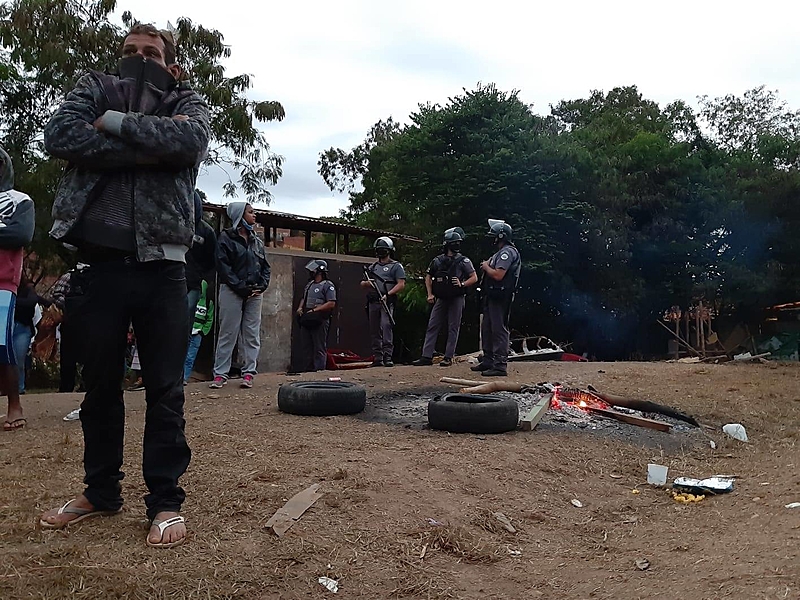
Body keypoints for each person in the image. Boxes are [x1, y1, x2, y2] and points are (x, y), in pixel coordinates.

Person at [40, 24, 211, 549]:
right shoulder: (93, 86)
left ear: (171, 64)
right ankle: (100, 491)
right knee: (100, 388)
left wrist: (112, 126)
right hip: (99, 266)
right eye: (132, 52)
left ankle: (164, 501)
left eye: (152, 53)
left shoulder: (187, 98)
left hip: (163, 267)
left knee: (164, 390)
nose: (141, 59)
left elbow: (189, 140)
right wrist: (147, 149)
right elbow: (61, 135)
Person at [210, 202, 270, 389]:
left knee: (251, 333)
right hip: (232, 290)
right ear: (239, 216)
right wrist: (240, 287)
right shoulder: (225, 238)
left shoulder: (257, 241)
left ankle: (249, 373)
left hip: (254, 293)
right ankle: (220, 374)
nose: (254, 215)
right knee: (228, 332)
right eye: (250, 212)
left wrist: (262, 286)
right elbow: (224, 268)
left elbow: (265, 267)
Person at [0, 147, 35, 431]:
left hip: (3, 281)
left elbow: (20, 233)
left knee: (1, 342)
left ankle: (14, 405)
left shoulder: (19, 200)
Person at [413, 227, 478, 367]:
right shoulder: (437, 261)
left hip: (457, 297)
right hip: (441, 298)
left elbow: (474, 277)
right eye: (454, 242)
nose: (457, 245)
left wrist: (462, 283)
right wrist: (430, 294)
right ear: (447, 244)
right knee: (432, 325)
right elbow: (428, 277)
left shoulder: (464, 260)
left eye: (458, 242)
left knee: (453, 326)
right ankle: (426, 356)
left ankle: (448, 357)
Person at [471, 220, 521, 377]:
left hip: (501, 296)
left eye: (495, 235)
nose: (492, 238)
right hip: (491, 295)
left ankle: (499, 365)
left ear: (501, 236)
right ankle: (488, 360)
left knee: (498, 329)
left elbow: (499, 275)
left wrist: (486, 267)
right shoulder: (499, 253)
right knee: (487, 328)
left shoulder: (508, 252)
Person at [361, 237, 405, 367]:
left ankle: (388, 356)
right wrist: (367, 283)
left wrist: (388, 294)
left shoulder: (396, 266)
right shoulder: (372, 267)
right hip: (373, 301)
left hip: (387, 301)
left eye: (383, 250)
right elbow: (362, 283)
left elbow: (401, 284)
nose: (381, 253)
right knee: (374, 329)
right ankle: (378, 357)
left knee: (386, 327)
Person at [296, 260, 337, 372]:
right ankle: (308, 369)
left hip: (320, 318)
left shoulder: (328, 285)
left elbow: (331, 303)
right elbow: (303, 298)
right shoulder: (309, 285)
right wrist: (300, 308)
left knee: (319, 346)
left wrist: (316, 310)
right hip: (308, 317)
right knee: (306, 346)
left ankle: (319, 369)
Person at [13, 274, 50, 394]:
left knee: (18, 360)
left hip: (22, 328)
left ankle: (19, 388)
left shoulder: (27, 291)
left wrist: (12, 300)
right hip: (6, 327)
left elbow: (32, 301)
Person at [184, 279, 214, 383]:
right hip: (186, 332)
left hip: (197, 334)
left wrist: (203, 332)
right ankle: (178, 378)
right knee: (181, 355)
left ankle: (184, 378)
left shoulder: (207, 302)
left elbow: (209, 319)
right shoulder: (188, 299)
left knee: (190, 357)